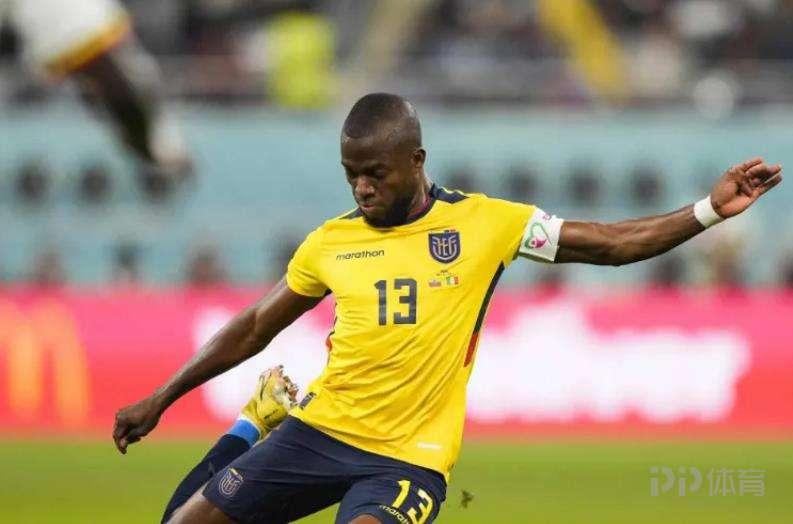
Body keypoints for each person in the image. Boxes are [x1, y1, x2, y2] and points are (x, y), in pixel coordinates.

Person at [113, 93, 782, 524]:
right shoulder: (330, 242)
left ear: (417, 160)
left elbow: (609, 244)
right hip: (317, 433)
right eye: (351, 174)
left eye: (375, 172)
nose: (361, 187)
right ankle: (248, 428)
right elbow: (256, 325)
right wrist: (162, 396)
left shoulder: (485, 224)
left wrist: (706, 211)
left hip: (406, 460)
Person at [4, 0, 192, 186]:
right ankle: (152, 147)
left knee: (135, 79)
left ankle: (152, 148)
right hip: (74, 26)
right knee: (131, 80)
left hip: (64, 30)